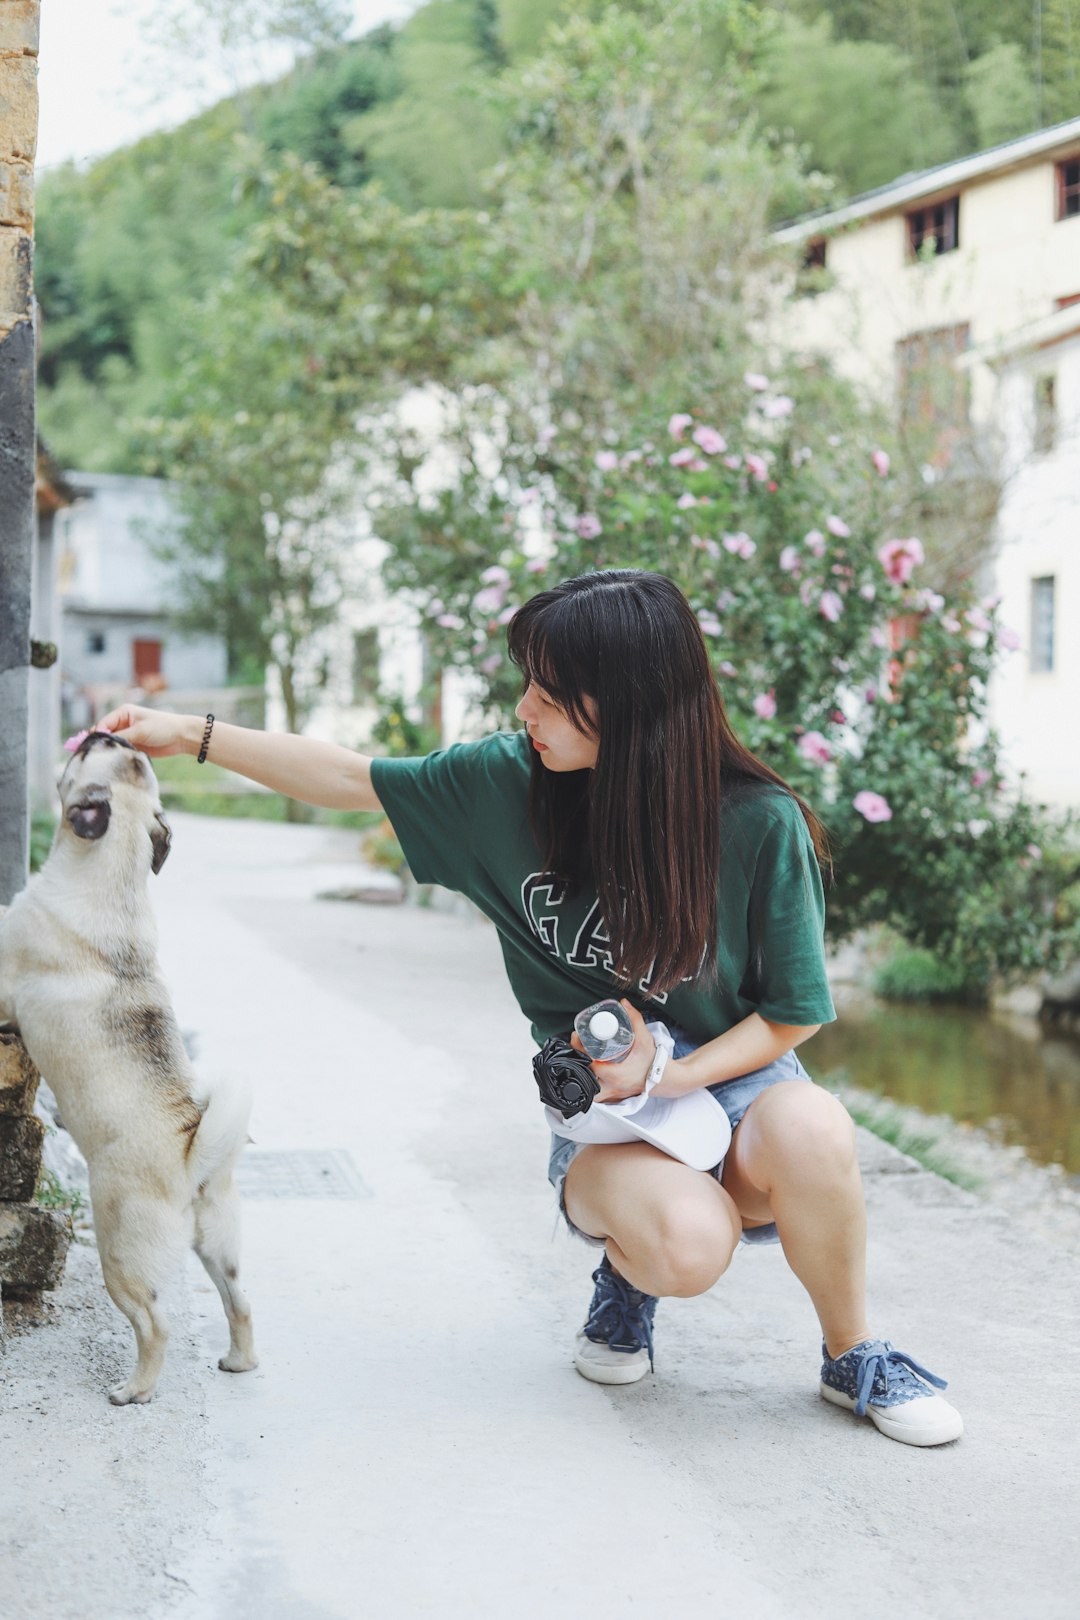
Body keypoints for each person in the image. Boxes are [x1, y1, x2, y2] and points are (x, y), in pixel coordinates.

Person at [101, 569, 962, 1447]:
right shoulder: (506, 785)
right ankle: (629, 1279)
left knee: (815, 1125)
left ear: (632, 704)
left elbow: (791, 1014)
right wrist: (187, 734)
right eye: (528, 687)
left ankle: (852, 1355)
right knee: (689, 1249)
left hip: (737, 1085)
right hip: (609, 1118)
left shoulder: (756, 822)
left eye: (550, 694)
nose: (525, 710)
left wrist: (669, 1071)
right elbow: (351, 777)